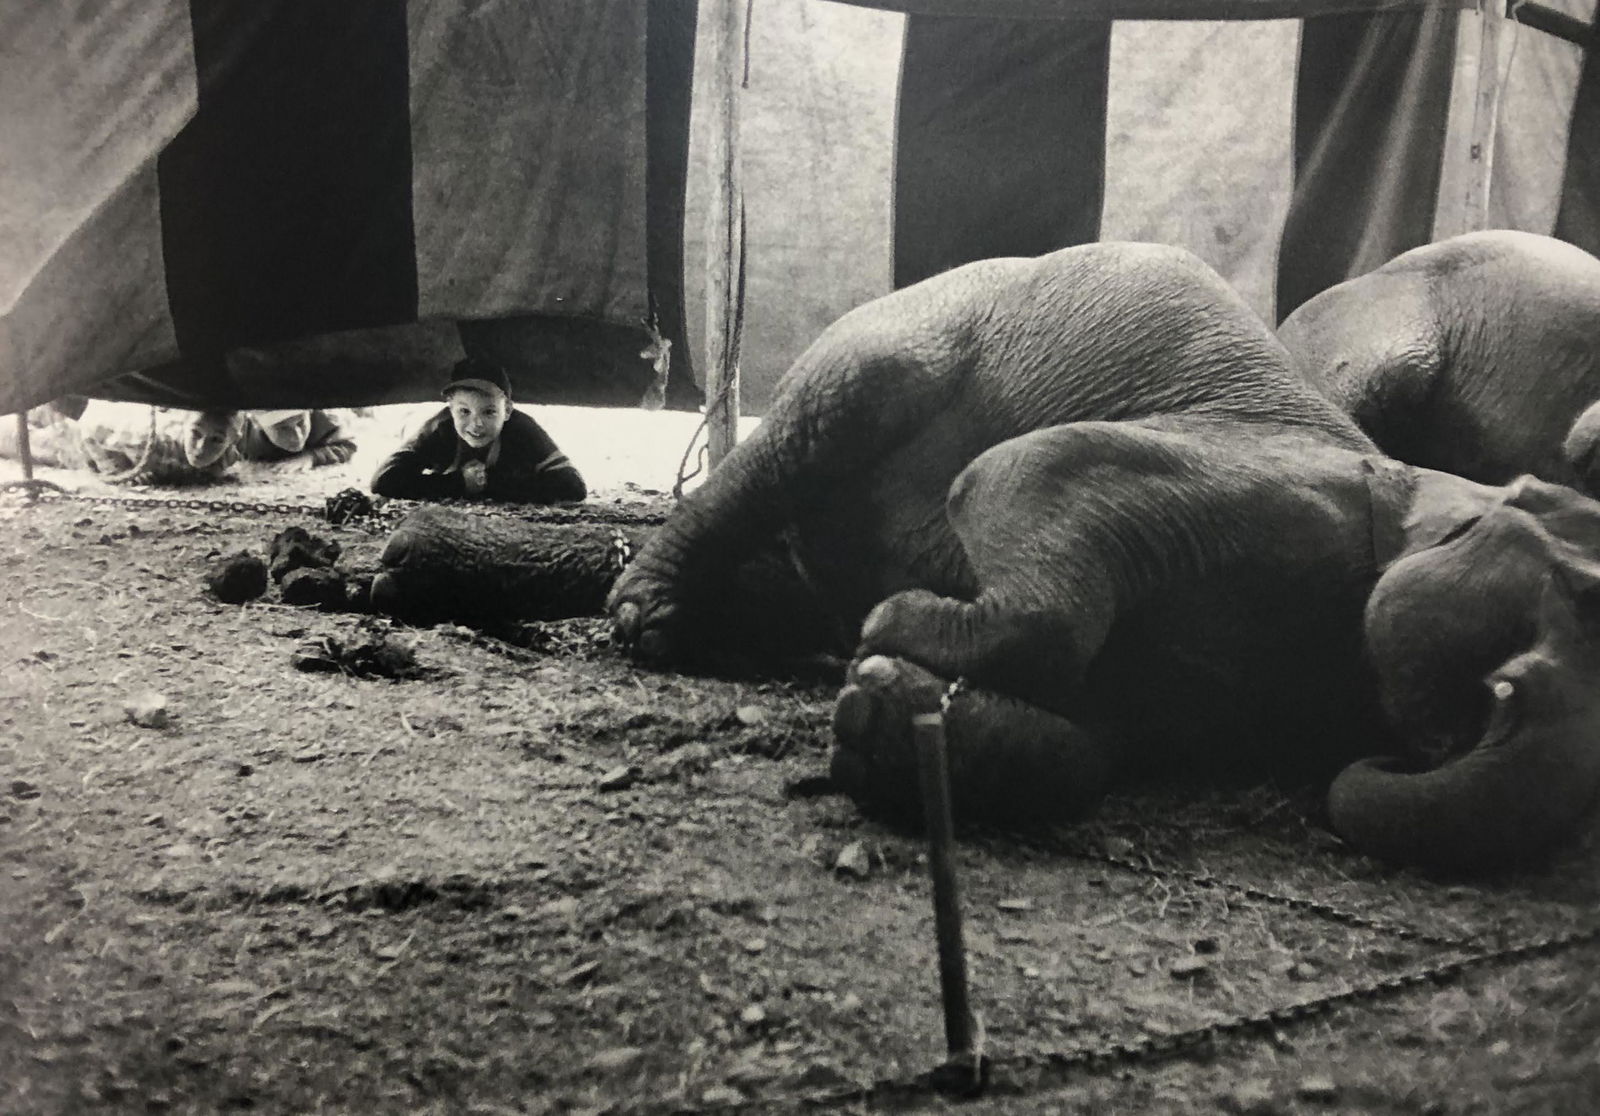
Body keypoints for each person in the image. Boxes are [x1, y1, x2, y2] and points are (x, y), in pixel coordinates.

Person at [370, 359, 586, 503]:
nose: (477, 424)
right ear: (450, 409)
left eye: (489, 412)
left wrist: (492, 484)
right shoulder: (440, 430)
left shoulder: (522, 430)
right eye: (464, 411)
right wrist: (458, 483)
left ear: (508, 411)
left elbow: (573, 485)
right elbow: (383, 479)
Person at [239, 409, 357, 468]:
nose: (297, 436)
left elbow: (349, 444)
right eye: (284, 428)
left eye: (301, 423)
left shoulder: (324, 421)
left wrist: (313, 456)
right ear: (259, 426)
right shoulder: (242, 433)